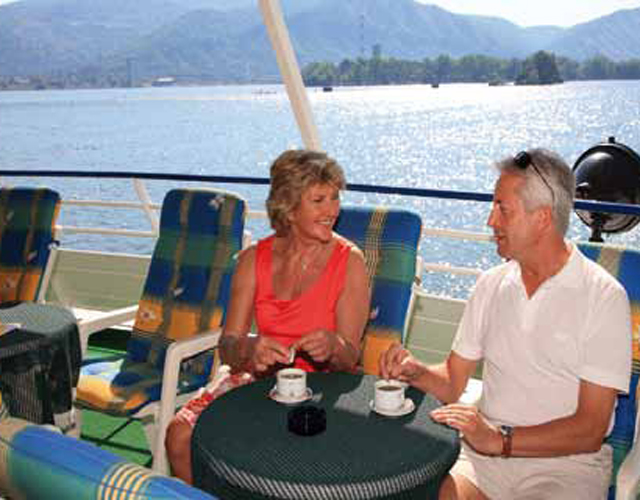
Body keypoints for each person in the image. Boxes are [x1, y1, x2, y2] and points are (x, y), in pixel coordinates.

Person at [380, 148, 632, 500]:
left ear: (542, 218)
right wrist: (415, 371)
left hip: (568, 466)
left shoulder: (603, 297)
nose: (490, 220)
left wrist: (501, 440)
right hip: (484, 458)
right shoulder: (491, 284)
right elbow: (452, 382)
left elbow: (590, 429)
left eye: (503, 209)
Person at [165, 149, 370, 483]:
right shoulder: (252, 260)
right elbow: (228, 346)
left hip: (326, 389)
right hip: (258, 382)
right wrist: (249, 349)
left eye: (335, 197)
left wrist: (334, 345)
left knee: (284, 455)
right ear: (288, 207)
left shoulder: (350, 262)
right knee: (179, 436)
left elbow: (350, 357)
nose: (332, 210)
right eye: (318, 200)